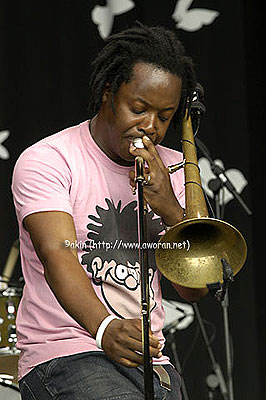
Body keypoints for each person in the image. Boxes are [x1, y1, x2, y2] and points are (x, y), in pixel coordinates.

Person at [12, 23, 207, 399]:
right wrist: (104, 328)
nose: (150, 126)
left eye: (164, 116)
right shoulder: (48, 160)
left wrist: (169, 207)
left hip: (149, 359)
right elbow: (57, 254)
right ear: (107, 94)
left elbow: (193, 288)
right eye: (138, 108)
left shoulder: (175, 169)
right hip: (67, 355)